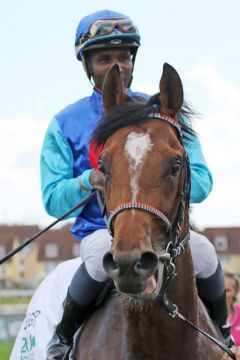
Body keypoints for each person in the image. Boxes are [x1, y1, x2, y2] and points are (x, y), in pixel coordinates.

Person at [41, 9, 231, 359]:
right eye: (104, 58)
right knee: (100, 260)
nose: (117, 66)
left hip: (163, 231)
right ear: (87, 64)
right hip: (102, 229)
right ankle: (62, 341)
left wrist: (169, 173)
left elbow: (201, 182)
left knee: (204, 252)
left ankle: (224, 336)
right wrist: (88, 180)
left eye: (124, 56)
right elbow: (52, 198)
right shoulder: (64, 123)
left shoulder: (165, 116)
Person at [225, 271, 240, 346]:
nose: (222, 294)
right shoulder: (208, 316)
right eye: (219, 289)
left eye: (227, 290)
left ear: (235, 292)